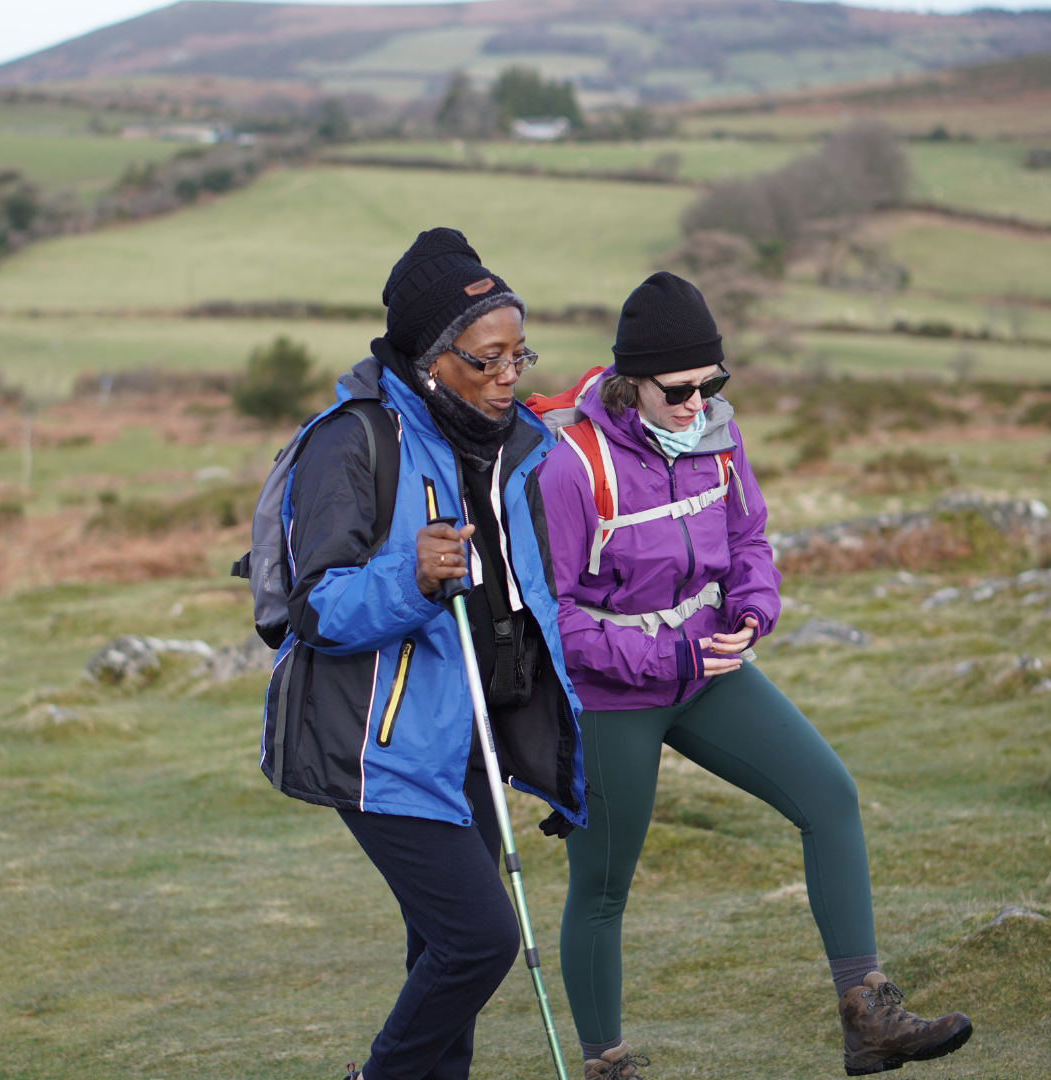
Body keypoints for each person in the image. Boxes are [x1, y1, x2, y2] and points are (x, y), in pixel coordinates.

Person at [536, 272, 972, 1079]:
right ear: (633, 383)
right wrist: (664, 655)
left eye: (714, 383)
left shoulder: (718, 437)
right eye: (680, 389)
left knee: (830, 796)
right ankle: (606, 1065)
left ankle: (866, 1017)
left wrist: (750, 610)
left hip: (710, 669)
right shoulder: (570, 468)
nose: (698, 402)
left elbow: (751, 540)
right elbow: (555, 618)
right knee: (601, 888)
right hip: (610, 697)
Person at [265, 228, 587, 1080]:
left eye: (520, 354)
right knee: (479, 944)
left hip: (473, 735)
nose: (510, 375)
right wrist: (408, 577)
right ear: (430, 358)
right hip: (377, 743)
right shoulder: (355, 440)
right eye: (488, 361)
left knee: (441, 956)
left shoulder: (516, 445)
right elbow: (316, 609)